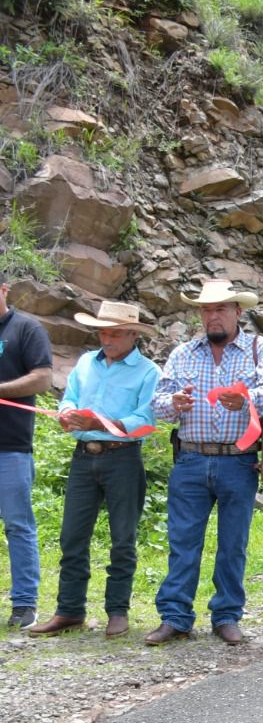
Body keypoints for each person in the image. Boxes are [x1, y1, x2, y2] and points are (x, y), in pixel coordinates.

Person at [146, 279, 263, 646]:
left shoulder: (258, 348)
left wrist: (246, 400)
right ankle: (175, 616)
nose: (213, 316)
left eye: (221, 309)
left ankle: (226, 615)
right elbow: (157, 405)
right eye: (207, 310)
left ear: (238, 311)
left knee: (233, 543)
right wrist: (174, 403)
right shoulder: (183, 353)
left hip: (238, 461)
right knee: (182, 542)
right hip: (190, 458)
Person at [28, 302, 158, 639]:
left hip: (123, 458)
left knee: (122, 539)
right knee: (72, 536)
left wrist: (101, 422)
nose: (107, 338)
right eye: (103, 331)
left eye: (115, 332)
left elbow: (145, 421)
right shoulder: (86, 363)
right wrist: (68, 415)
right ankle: (69, 611)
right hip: (83, 457)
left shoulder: (148, 372)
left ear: (133, 334)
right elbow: (68, 398)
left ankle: (118, 611)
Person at [0, 272, 53, 629]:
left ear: (4, 290)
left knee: (18, 525)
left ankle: (24, 604)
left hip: (11, 448)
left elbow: (43, 378)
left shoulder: (25, 329)